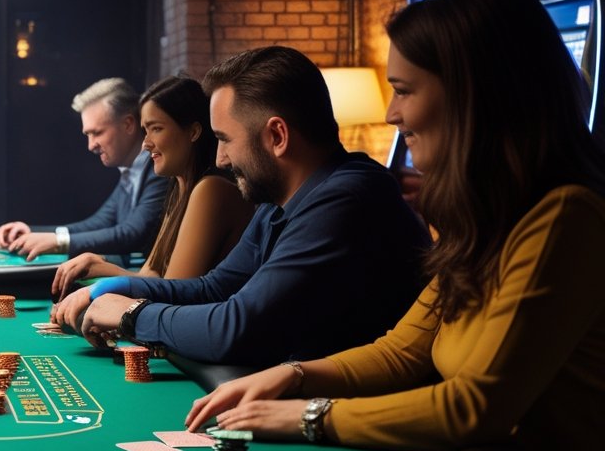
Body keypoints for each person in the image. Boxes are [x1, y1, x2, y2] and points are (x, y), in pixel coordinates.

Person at [184, 0, 605, 451]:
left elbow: (473, 407)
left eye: (404, 90)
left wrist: (306, 416)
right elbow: (403, 352)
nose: (391, 113)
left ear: (473, 95)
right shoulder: (486, 220)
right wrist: (295, 375)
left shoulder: (566, 216)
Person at [53, 46, 431, 366]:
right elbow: (213, 288)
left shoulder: (347, 197)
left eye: (225, 139)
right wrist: (111, 286)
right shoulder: (277, 199)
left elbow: (236, 327)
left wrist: (131, 313)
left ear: (277, 136)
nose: (219, 160)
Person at [49, 75, 255, 298]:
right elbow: (152, 276)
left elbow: (173, 293)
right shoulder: (179, 188)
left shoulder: (211, 189)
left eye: (156, 129)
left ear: (193, 132)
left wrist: (104, 287)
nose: (146, 144)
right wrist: (97, 264)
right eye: (145, 130)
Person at [0, 77, 171, 262]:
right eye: (88, 134)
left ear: (128, 124)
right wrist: (32, 232)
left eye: (97, 133)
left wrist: (58, 242)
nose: (91, 145)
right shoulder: (132, 169)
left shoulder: (159, 167)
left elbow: (133, 233)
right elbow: (99, 223)